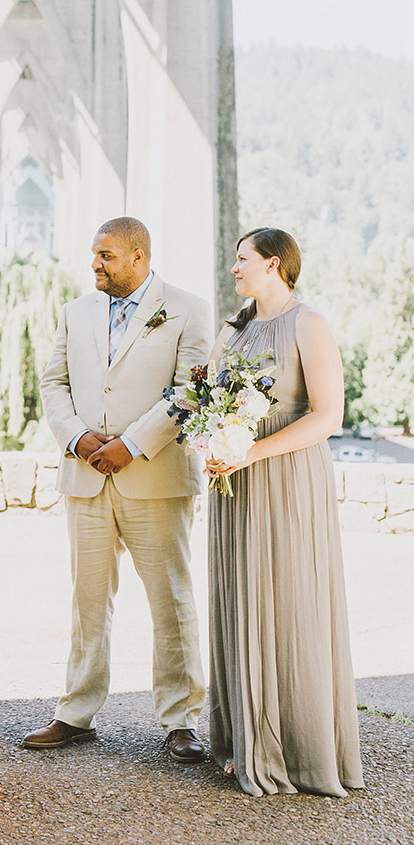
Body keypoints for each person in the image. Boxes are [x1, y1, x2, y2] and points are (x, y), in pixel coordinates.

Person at [23, 217, 213, 761]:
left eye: (105, 255)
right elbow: (53, 383)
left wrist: (131, 444)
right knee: (87, 602)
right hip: (85, 478)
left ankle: (180, 719)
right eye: (94, 255)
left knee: (171, 600)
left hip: (153, 477)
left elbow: (190, 392)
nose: (95, 264)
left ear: (138, 256)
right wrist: (79, 437)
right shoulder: (75, 312)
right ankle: (76, 713)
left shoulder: (186, 308)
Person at [207, 227, 364, 797]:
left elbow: (327, 416)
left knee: (290, 593)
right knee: (239, 594)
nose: (234, 269)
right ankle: (243, 738)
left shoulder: (309, 324)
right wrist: (212, 439)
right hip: (236, 482)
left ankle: (299, 747)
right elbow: (211, 399)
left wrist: (252, 451)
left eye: (242, 259)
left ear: (273, 264)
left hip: (288, 475)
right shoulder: (232, 328)